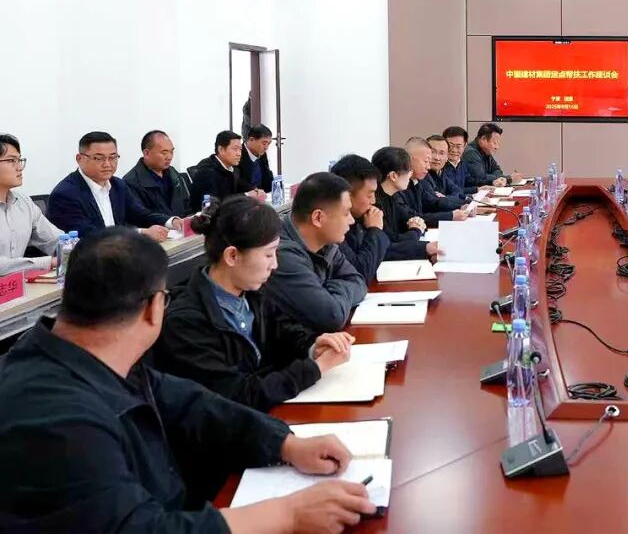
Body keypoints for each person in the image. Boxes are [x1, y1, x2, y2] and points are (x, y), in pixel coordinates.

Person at [0, 227, 376, 532]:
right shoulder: (55, 417)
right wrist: (286, 514)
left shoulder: (88, 354)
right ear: (154, 308)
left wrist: (285, 444)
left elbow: (191, 404)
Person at [154, 196, 355, 412]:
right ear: (232, 255)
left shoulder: (252, 293)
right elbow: (237, 396)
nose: (274, 264)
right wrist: (315, 369)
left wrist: (313, 346)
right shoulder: (185, 323)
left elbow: (285, 333)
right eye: (268, 254)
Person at [261, 172, 365, 335]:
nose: (352, 220)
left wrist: (329, 290)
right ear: (318, 218)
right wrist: (335, 289)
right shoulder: (281, 255)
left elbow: (358, 280)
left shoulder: (326, 243)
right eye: (346, 213)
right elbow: (331, 317)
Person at [48, 131, 180, 241]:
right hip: (90, 258)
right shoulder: (65, 194)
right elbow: (89, 235)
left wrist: (171, 221)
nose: (107, 164)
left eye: (112, 157)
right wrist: (141, 232)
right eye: (99, 158)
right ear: (79, 159)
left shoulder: (118, 185)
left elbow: (141, 214)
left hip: (120, 251)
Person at [0, 134, 63, 275]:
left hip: (18, 285)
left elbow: (54, 240)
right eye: (11, 160)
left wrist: (82, 251)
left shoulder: (24, 202)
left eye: (19, 160)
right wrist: (49, 262)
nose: (19, 167)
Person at [330, 155, 391, 284]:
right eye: (369, 195)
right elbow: (359, 273)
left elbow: (385, 248)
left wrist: (424, 248)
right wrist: (374, 230)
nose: (373, 201)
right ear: (346, 194)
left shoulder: (360, 217)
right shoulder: (332, 226)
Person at [372, 146, 438, 261]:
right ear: (393, 176)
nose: (411, 174)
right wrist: (416, 231)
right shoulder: (375, 204)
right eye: (409, 170)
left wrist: (416, 223)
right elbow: (390, 242)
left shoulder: (393, 196)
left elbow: (409, 218)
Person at [122, 130, 192, 219]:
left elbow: (186, 205)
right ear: (146, 153)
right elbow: (140, 217)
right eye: (164, 152)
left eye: (171, 151)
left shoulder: (172, 172)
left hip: (181, 224)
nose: (169, 157)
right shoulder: (131, 182)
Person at [401, 137, 469, 228]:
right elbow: (411, 217)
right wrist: (451, 215)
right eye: (426, 161)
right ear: (409, 159)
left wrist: (461, 206)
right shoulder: (401, 186)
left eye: (442, 153)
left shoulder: (417, 181)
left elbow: (433, 202)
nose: (428, 167)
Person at [189, 131, 257, 211]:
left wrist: (255, 190)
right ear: (221, 149)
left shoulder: (232, 168)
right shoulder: (207, 171)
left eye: (240, 149)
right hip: (207, 216)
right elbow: (214, 203)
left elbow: (243, 186)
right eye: (235, 149)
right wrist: (246, 195)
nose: (239, 154)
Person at [462, 123, 520, 189]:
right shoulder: (470, 152)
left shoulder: (486, 152)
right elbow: (480, 178)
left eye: (498, 144)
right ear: (483, 139)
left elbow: (497, 169)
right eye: (494, 143)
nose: (497, 147)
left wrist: (499, 178)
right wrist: (507, 178)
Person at [426, 134, 467, 206]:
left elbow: (458, 191)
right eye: (433, 152)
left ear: (447, 157)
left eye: (441, 153)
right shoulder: (423, 175)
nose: (437, 158)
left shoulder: (441, 171)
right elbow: (437, 203)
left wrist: (445, 198)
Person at [239, 124, 275, 194]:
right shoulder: (238, 154)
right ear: (251, 139)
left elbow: (267, 179)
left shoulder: (262, 154)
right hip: (244, 198)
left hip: (261, 196)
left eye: (269, 144)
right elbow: (238, 183)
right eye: (264, 143)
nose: (266, 147)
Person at [442, 125, 476, 196]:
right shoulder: (440, 166)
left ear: (465, 146)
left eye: (458, 146)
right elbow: (450, 191)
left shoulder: (462, 162)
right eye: (450, 145)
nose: (454, 150)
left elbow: (468, 182)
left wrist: (490, 183)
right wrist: (476, 190)